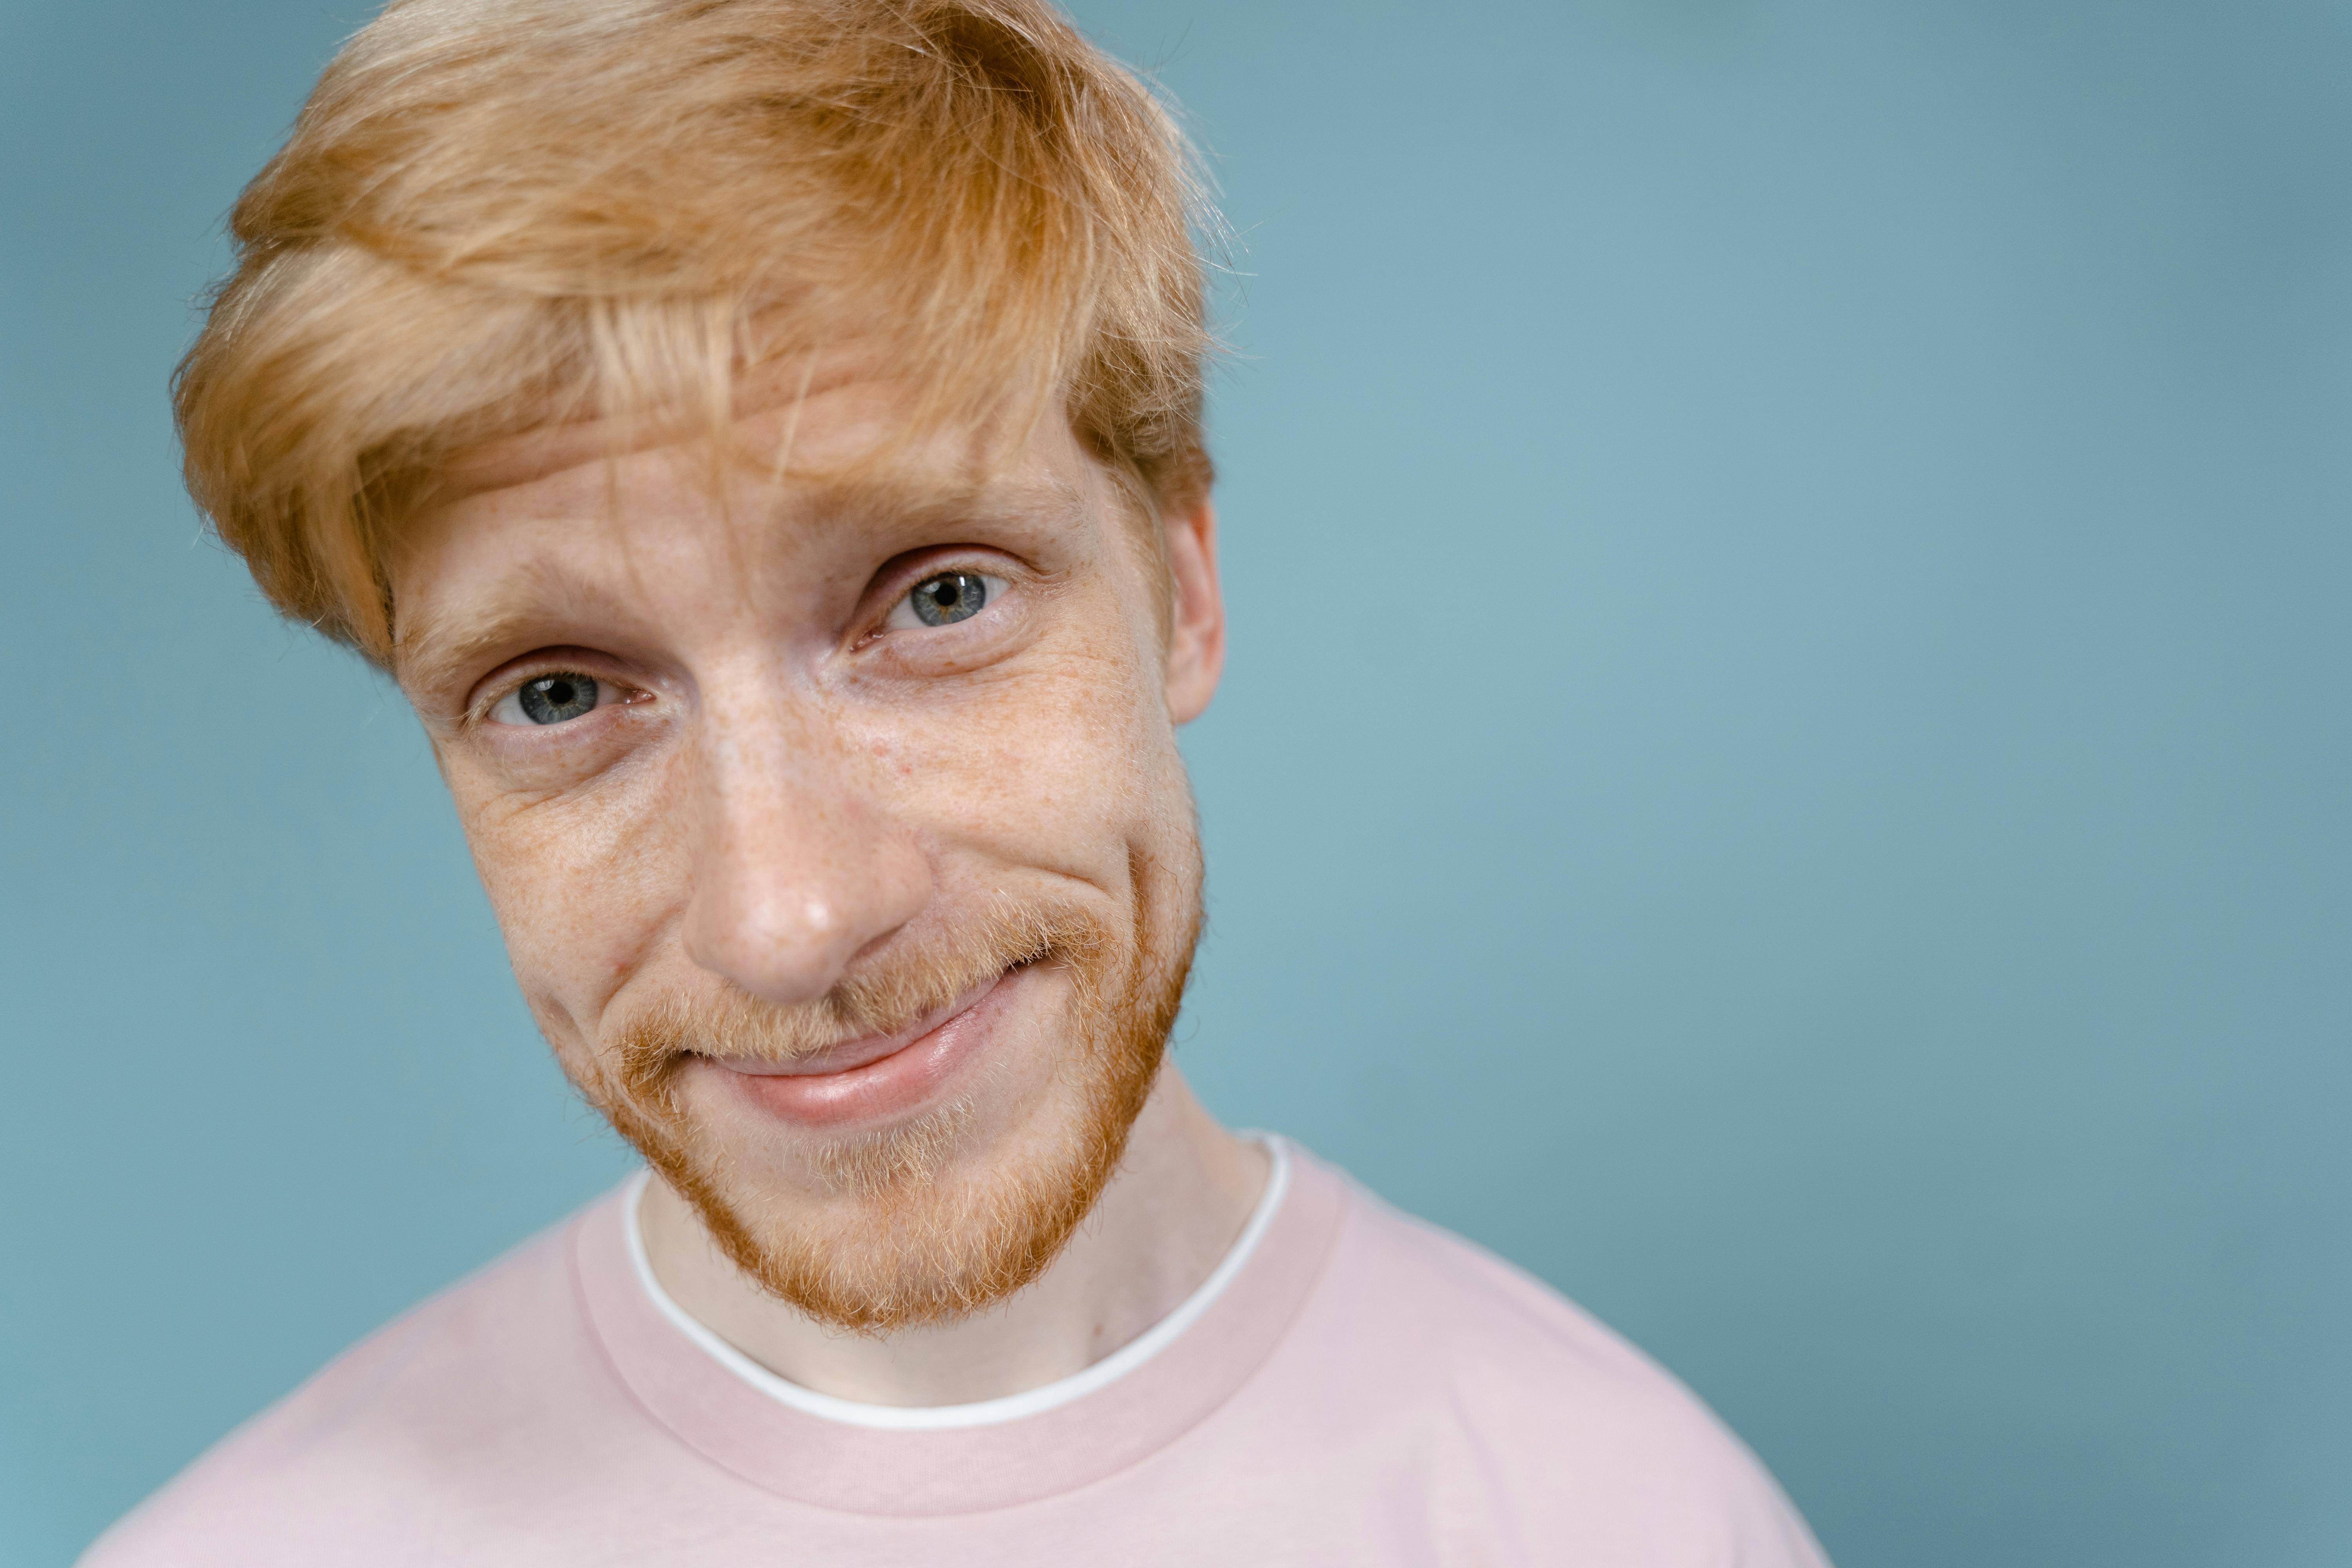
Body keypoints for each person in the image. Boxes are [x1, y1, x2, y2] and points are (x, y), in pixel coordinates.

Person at [85, 0, 1831, 1561]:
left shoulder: (1623, 1517)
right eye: (559, 691)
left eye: (937, 596)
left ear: (1186, 587)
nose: (791, 918)